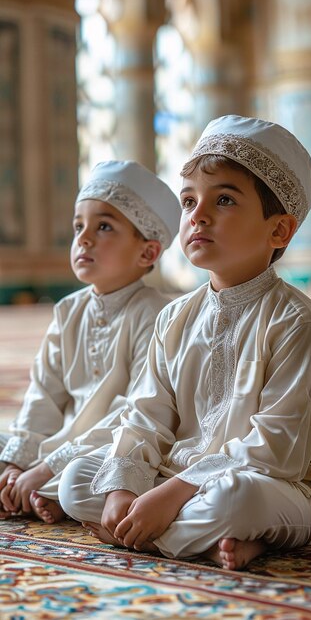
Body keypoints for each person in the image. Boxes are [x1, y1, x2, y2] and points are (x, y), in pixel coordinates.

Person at [59, 115, 311, 570]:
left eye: (225, 199)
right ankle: (213, 543)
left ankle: (172, 533)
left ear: (279, 230)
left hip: (279, 487)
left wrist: (171, 494)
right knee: (77, 479)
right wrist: (123, 488)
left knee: (237, 499)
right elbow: (145, 416)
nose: (198, 216)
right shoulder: (174, 317)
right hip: (178, 477)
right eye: (189, 201)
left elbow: (277, 452)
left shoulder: (296, 323)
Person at [0, 160, 180, 524]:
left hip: (113, 446)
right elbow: (44, 394)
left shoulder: (157, 314)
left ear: (148, 252)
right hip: (59, 442)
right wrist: (16, 460)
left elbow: (135, 414)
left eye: (103, 227)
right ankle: (25, 488)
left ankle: (37, 490)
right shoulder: (68, 311)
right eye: (78, 226)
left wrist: (48, 466)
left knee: (81, 476)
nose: (83, 238)